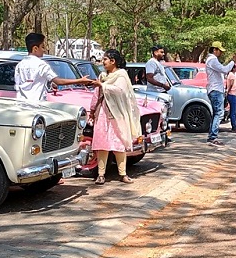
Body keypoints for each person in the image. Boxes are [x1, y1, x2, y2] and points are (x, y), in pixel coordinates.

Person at [80, 49, 142, 183]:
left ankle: (123, 174)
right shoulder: (102, 75)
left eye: (105, 60)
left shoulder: (121, 75)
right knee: (102, 143)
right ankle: (101, 174)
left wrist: (102, 85)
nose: (103, 62)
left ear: (113, 61)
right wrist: (92, 110)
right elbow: (97, 95)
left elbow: (120, 91)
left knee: (119, 143)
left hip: (117, 113)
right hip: (102, 112)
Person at [15, 33, 87, 101]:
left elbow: (18, 85)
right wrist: (80, 80)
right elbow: (58, 81)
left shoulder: (20, 65)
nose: (44, 50)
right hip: (36, 106)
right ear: (35, 49)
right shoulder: (41, 65)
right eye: (42, 47)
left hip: (22, 106)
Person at [204, 41, 236, 146]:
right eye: (219, 51)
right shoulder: (212, 60)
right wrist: (232, 62)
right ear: (214, 50)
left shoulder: (211, 60)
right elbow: (225, 70)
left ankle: (212, 135)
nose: (221, 53)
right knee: (219, 113)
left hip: (215, 89)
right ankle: (213, 136)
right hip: (216, 90)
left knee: (216, 113)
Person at [225, 65, 236, 132]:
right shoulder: (232, 75)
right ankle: (234, 127)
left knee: (232, 111)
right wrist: (228, 91)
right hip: (232, 94)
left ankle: (234, 126)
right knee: (233, 112)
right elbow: (231, 84)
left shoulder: (230, 75)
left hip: (231, 94)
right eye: (235, 67)